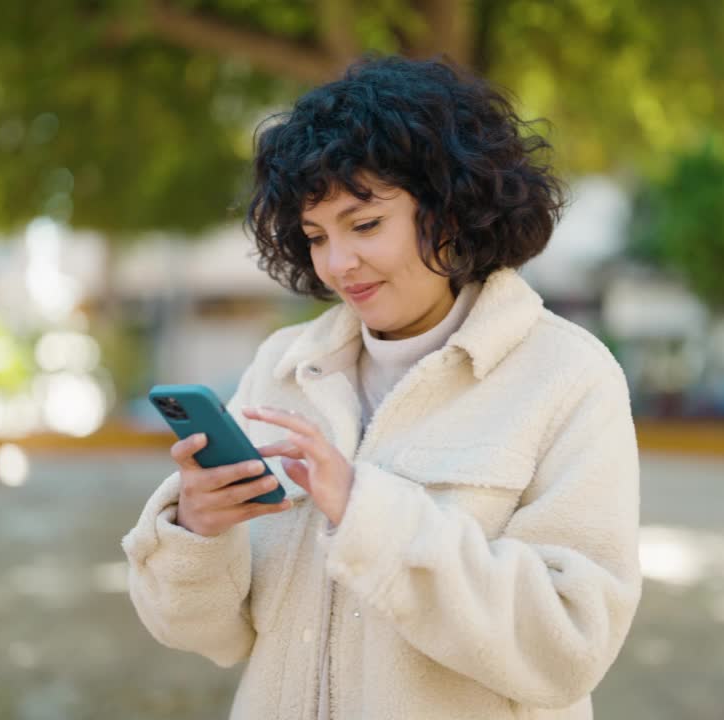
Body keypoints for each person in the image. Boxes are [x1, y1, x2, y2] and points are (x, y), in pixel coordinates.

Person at [122, 55, 641, 720]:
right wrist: (198, 532)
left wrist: (370, 513)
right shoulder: (281, 368)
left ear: (451, 209)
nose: (339, 264)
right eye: (315, 236)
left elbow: (567, 646)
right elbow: (213, 636)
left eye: (365, 225)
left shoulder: (567, 376)